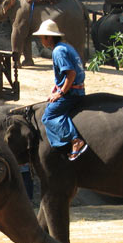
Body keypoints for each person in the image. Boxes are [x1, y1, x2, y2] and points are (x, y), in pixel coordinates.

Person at [32, 19, 88, 162]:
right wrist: (55, 89)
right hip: (78, 89)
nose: (41, 41)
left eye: (42, 37)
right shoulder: (66, 47)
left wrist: (61, 93)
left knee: (48, 116)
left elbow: (71, 74)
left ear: (48, 37)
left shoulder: (58, 51)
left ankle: (75, 140)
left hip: (71, 93)